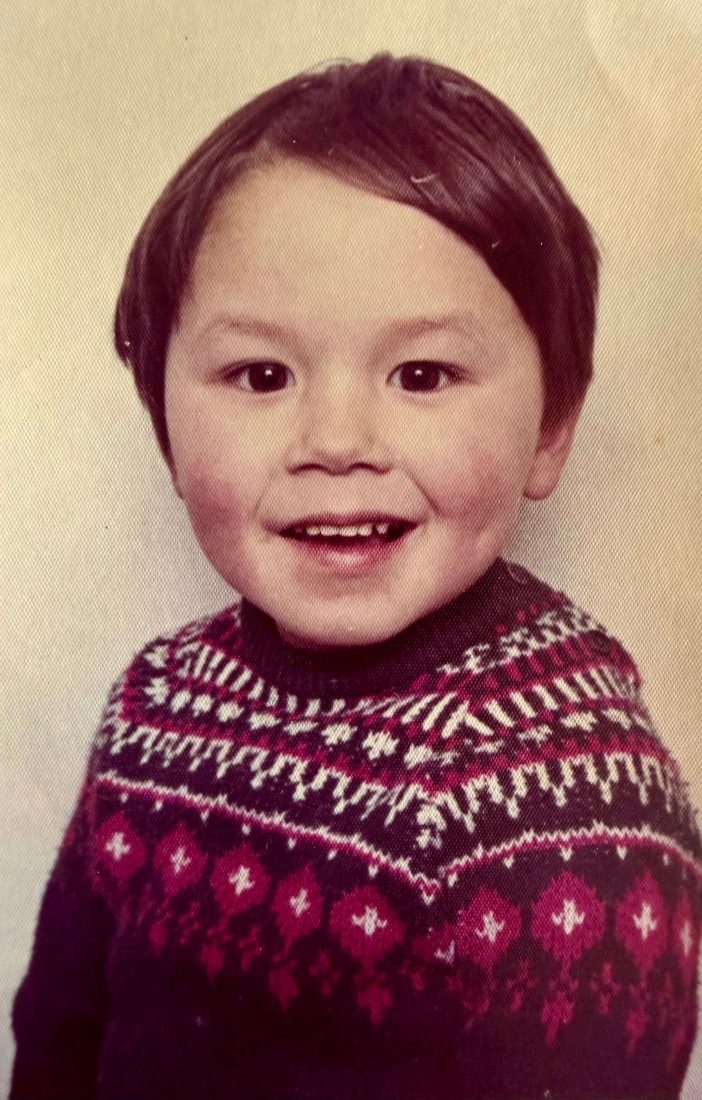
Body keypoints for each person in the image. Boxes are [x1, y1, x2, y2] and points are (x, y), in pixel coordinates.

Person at [10, 53, 701, 1100]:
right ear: (164, 421)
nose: (336, 441)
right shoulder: (156, 704)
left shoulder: (562, 794)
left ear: (551, 428)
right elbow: (58, 1038)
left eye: (422, 374)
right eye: (261, 374)